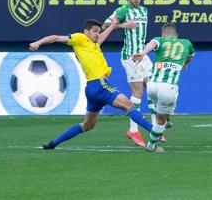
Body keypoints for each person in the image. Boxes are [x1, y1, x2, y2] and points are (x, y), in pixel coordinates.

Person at [30, 18, 153, 150]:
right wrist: (39, 42)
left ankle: (53, 143)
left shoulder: (93, 44)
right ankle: (154, 131)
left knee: (87, 125)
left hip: (92, 89)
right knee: (129, 105)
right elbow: (56, 38)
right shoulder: (80, 38)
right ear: (85, 32)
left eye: (98, 31)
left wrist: (112, 26)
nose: (97, 34)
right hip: (100, 84)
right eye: (94, 31)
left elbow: (101, 39)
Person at [103, 0, 155, 148]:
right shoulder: (122, 10)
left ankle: (156, 127)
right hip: (130, 57)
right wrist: (124, 25)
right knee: (137, 91)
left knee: (152, 88)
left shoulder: (144, 10)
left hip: (143, 55)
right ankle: (133, 130)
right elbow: (105, 25)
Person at [132, 23, 195, 153]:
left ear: (163, 34)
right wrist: (185, 63)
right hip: (168, 87)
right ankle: (151, 146)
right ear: (176, 35)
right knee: (160, 120)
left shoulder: (159, 40)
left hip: (151, 86)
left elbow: (152, 44)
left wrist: (143, 53)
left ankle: (165, 118)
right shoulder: (186, 43)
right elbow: (190, 56)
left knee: (161, 106)